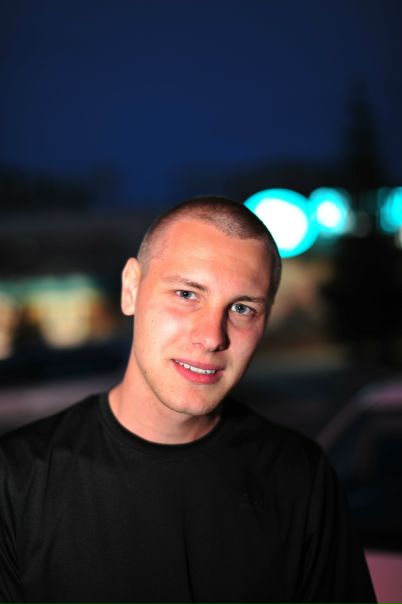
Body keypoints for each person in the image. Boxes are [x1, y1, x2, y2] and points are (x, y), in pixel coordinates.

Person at [0, 196, 376, 604]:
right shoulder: (17, 479)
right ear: (131, 288)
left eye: (242, 308)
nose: (212, 336)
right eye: (186, 294)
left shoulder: (300, 476)